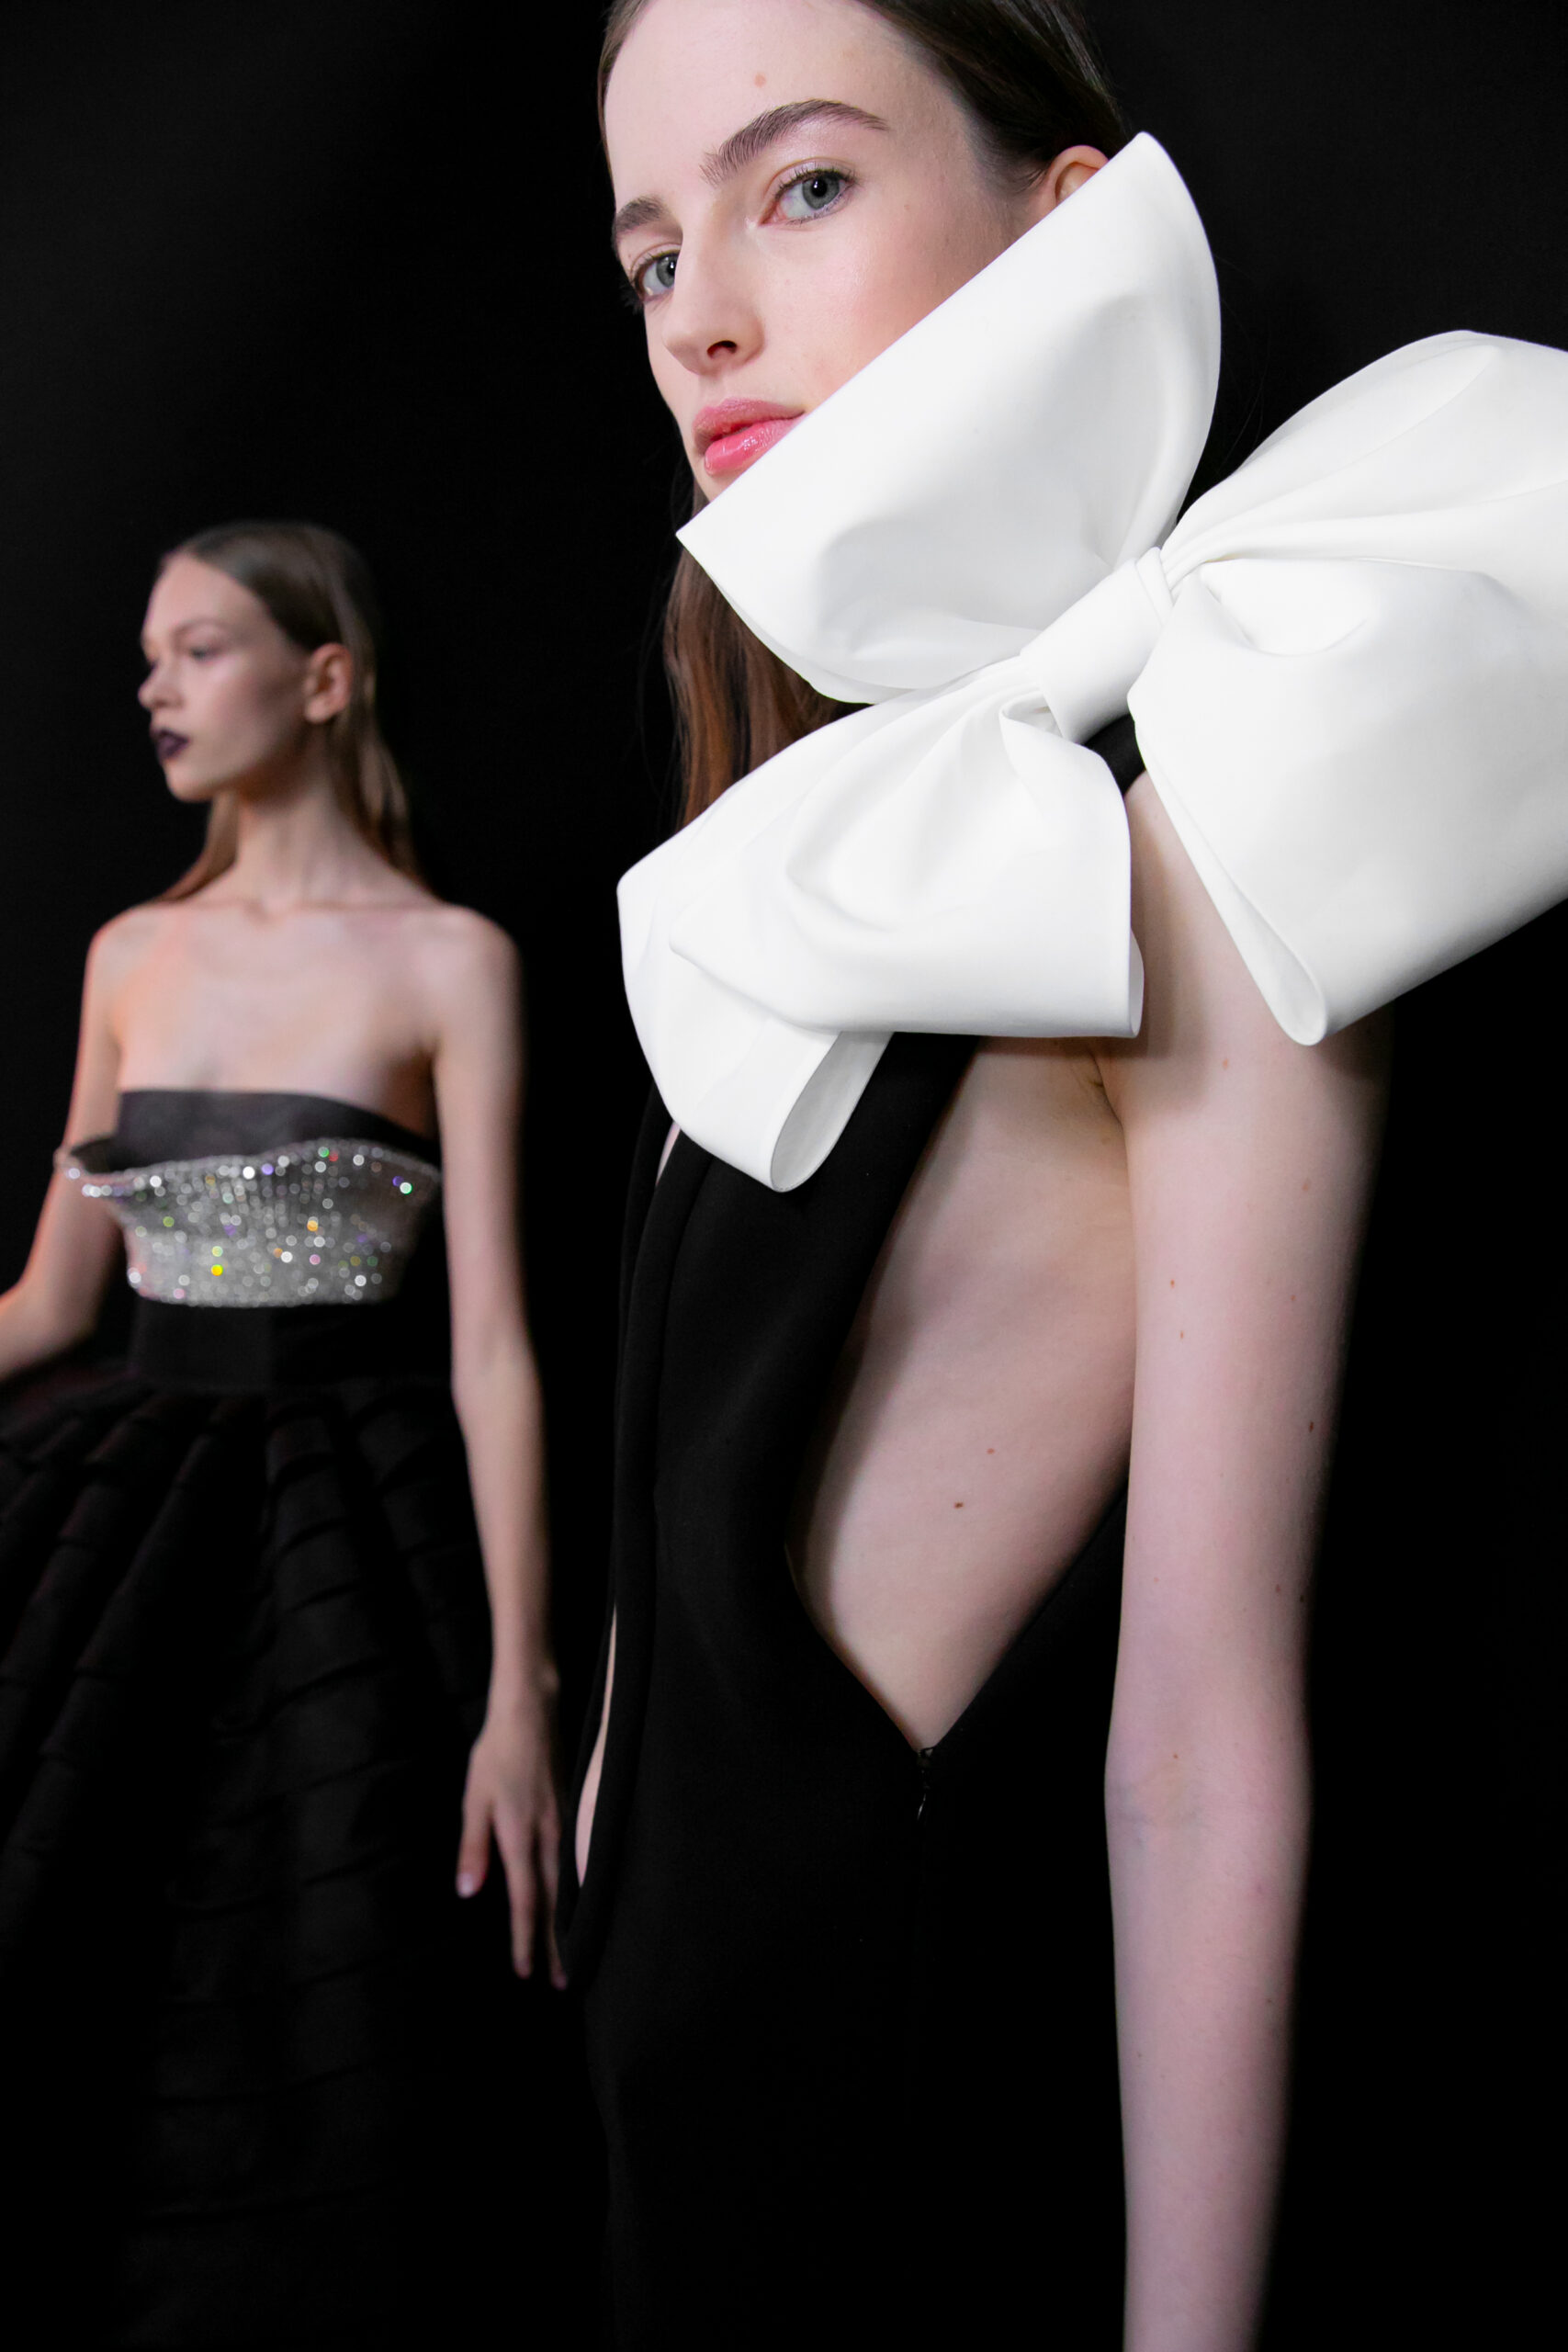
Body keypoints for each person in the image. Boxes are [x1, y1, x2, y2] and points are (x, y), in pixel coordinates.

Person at [561, 3, 1568, 2346]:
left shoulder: (1203, 835)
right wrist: (609, 1780)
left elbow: (1198, 1746)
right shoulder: (802, 854)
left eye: (801, 185)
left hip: (878, 2097)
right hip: (660, 2057)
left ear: (1063, 217)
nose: (699, 314)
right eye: (649, 254)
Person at [0, 522, 563, 2345]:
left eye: (201, 648)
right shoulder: (132, 950)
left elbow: (494, 1340)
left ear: (325, 677)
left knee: (327, 1997)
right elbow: (49, 1304)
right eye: (148, 654)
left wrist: (523, 1690)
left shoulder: (452, 961)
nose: (153, 687)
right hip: (120, 1506)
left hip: (352, 1531)